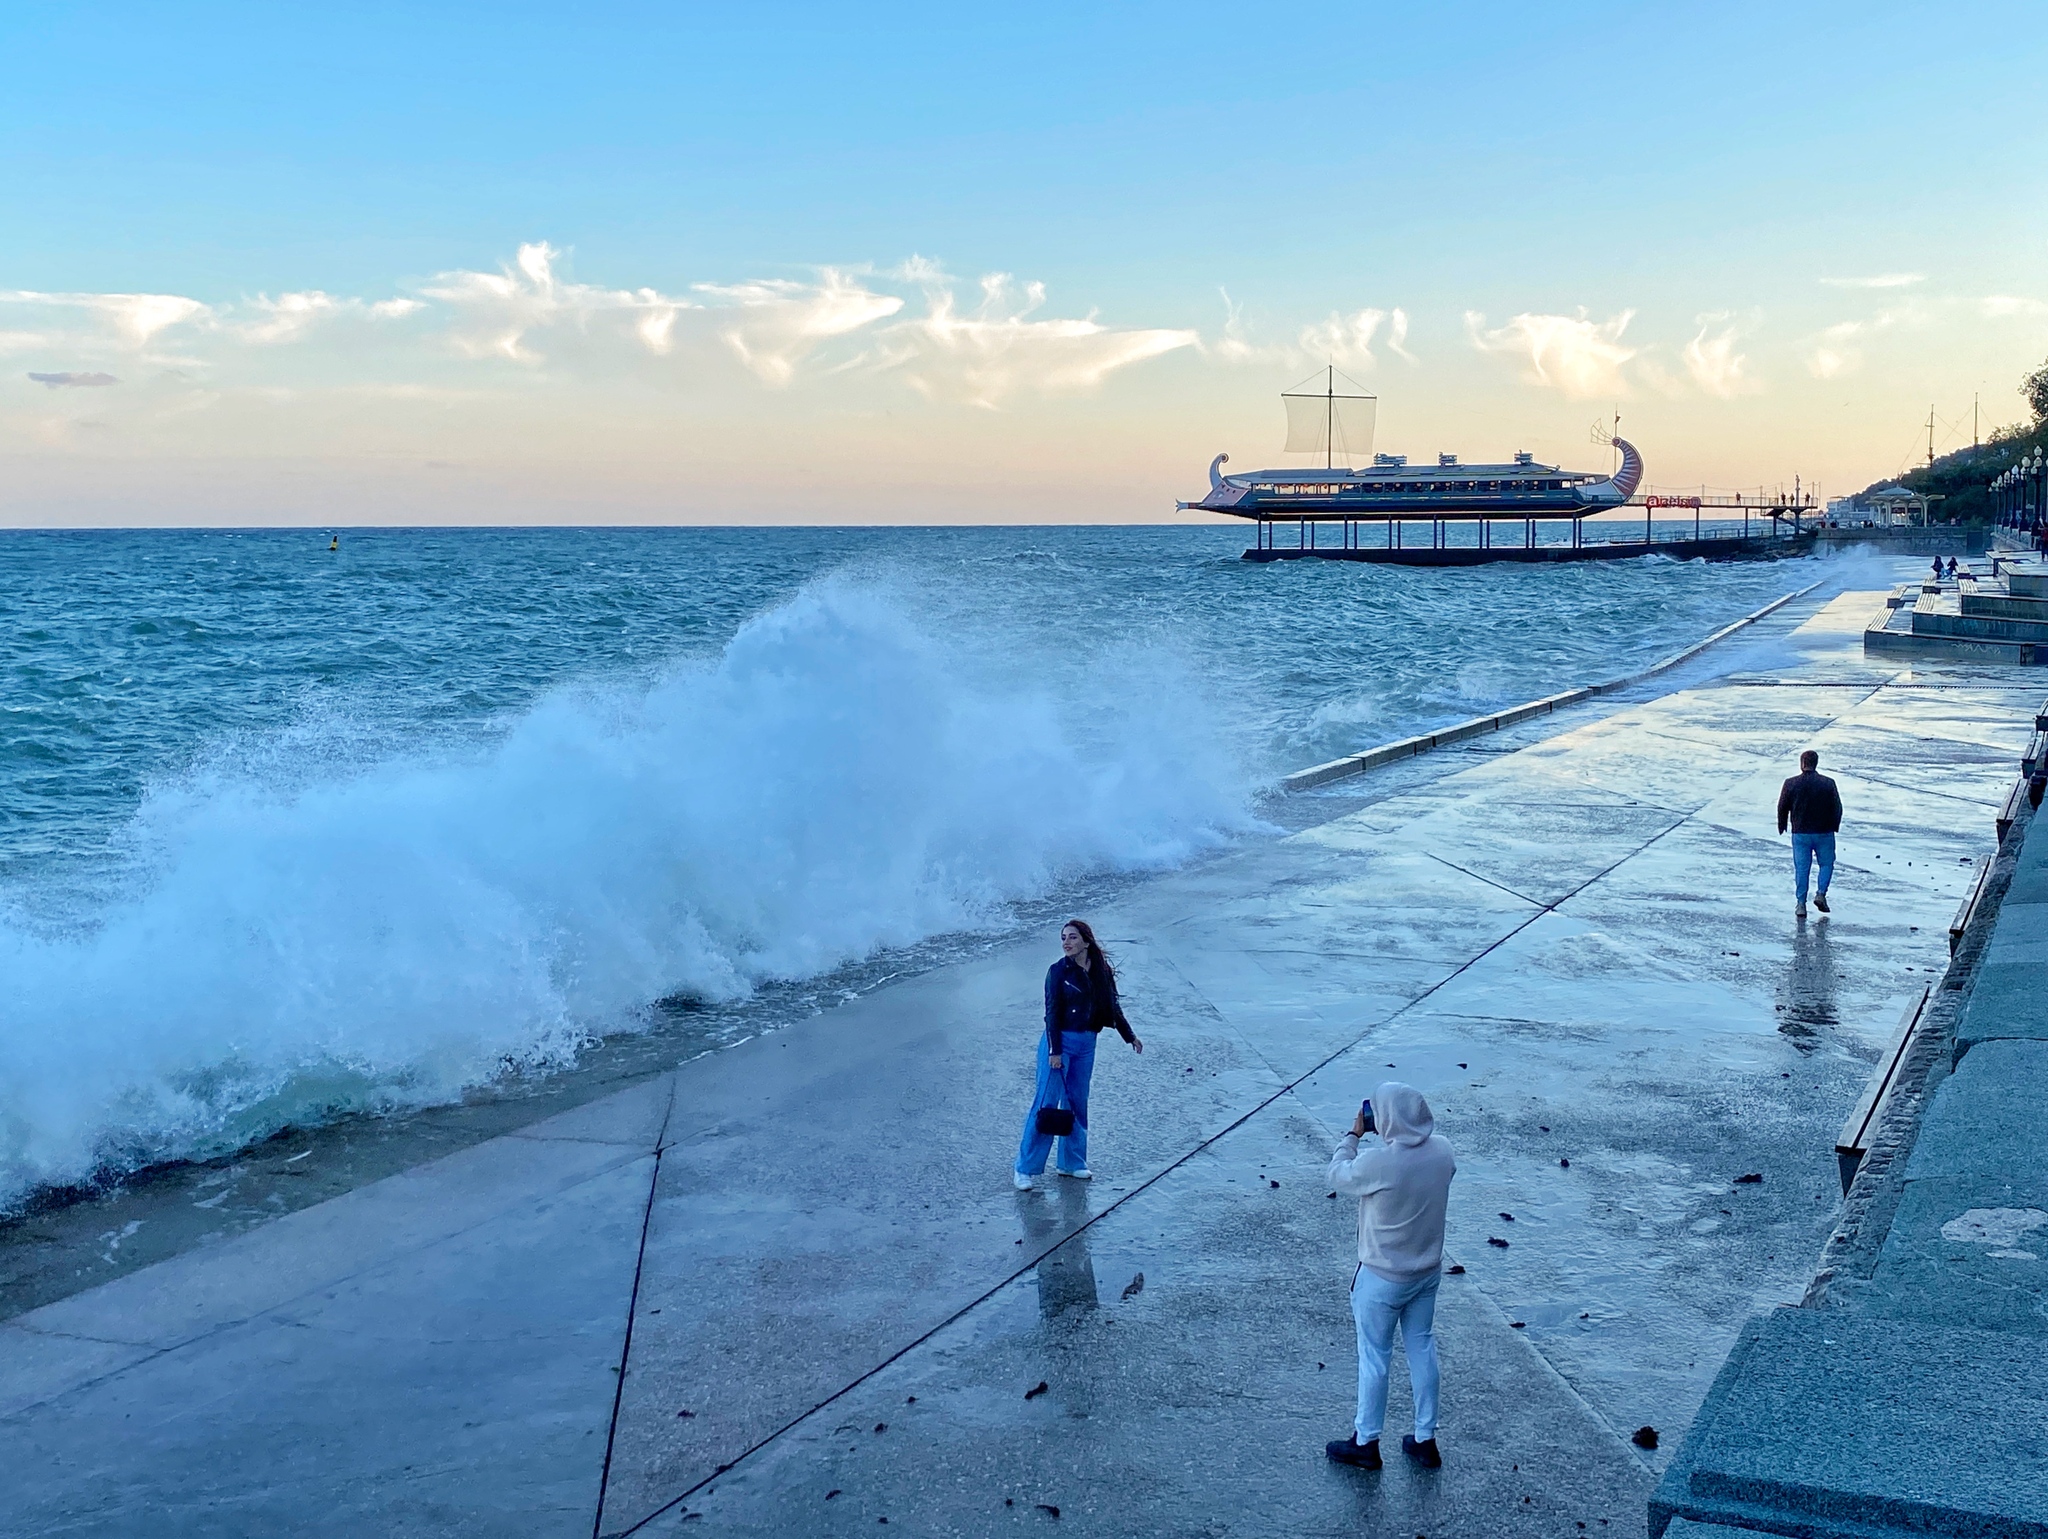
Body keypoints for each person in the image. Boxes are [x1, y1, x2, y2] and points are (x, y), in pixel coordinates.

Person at [1325, 1082, 1457, 1472]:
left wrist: (1353, 1134)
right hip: (1426, 1272)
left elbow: (1335, 1174)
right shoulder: (1444, 1152)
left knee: (1375, 1359)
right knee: (1421, 1348)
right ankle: (1424, 1439)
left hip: (1381, 1278)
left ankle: (1366, 1442)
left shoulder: (1379, 1163)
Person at [1013, 919, 1142, 1190]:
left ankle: (1071, 1162)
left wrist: (1129, 1036)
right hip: (1060, 1044)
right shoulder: (1058, 972)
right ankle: (1024, 1168)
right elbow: (1051, 1013)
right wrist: (1054, 1050)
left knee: (1077, 1103)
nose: (1066, 943)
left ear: (1086, 941)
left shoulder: (1101, 972)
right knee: (1046, 1104)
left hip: (1087, 1044)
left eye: (1072, 937)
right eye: (1063, 938)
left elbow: (1112, 1007)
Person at [1777, 749, 1843, 919]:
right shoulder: (1828, 783)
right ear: (1816, 763)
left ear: (1802, 763)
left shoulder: (1790, 783)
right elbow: (1837, 807)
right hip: (1824, 832)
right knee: (1827, 864)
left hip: (1800, 833)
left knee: (1802, 868)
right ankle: (1821, 893)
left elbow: (1782, 806)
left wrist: (1782, 824)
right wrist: (1834, 825)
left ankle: (1800, 904)